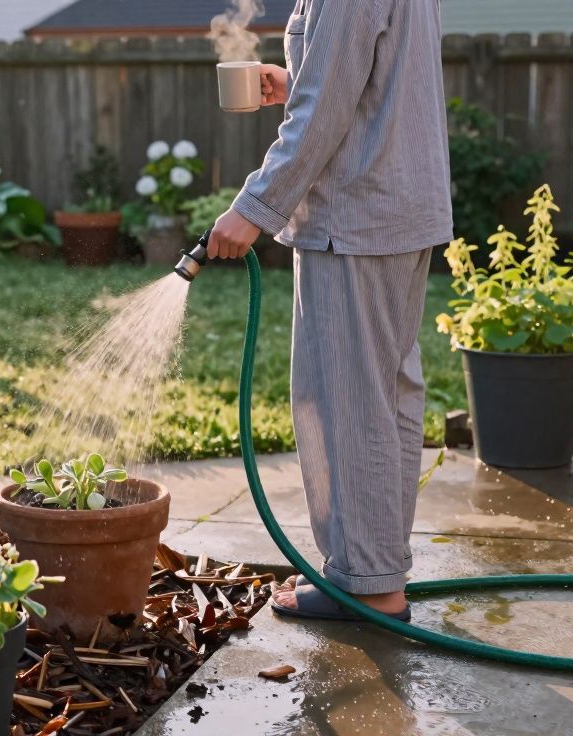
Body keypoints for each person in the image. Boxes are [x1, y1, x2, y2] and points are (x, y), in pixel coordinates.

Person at [207, 0, 452, 621]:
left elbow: (322, 115)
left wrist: (254, 208)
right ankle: (377, 574)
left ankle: (369, 587)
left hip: (356, 214)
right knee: (385, 397)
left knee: (348, 405)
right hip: (397, 203)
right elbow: (372, 73)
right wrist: (296, 76)